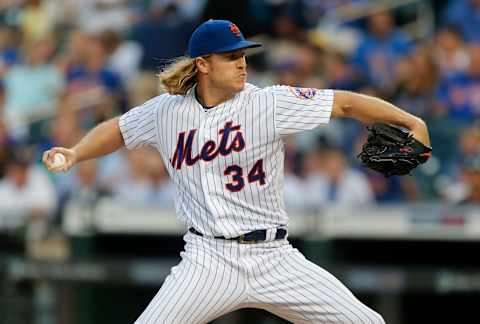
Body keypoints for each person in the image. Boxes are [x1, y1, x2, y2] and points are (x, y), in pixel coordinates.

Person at [43, 20, 430, 324]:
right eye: (230, 56)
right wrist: (76, 153)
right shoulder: (166, 111)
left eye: (243, 53)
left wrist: (410, 119)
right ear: (203, 64)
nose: (242, 62)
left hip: (276, 257)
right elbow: (118, 129)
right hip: (208, 259)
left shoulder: (268, 102)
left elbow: (344, 104)